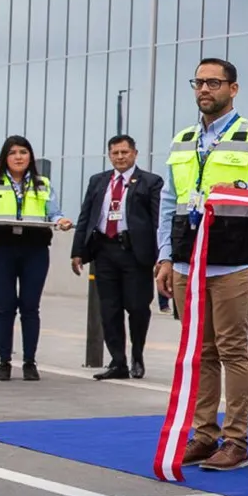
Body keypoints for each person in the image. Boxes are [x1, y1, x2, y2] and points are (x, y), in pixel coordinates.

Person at [156, 57, 248, 473]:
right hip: (186, 262)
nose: (204, 90)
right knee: (200, 352)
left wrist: (243, 187)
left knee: (232, 351)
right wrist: (164, 256)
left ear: (232, 89)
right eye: (198, 82)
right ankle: (204, 433)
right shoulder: (183, 140)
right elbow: (169, 202)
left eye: (214, 83)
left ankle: (236, 440)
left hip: (232, 264)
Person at [0, 135, 73, 381]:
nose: (19, 157)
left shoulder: (42, 184)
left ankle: (30, 362)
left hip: (34, 251)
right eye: (13, 153)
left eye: (23, 152)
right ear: (5, 157)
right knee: (5, 307)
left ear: (30, 156)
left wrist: (62, 222)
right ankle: (4, 362)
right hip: (1, 250)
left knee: (30, 307)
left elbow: (54, 214)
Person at [69, 134, 163, 380]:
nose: (120, 157)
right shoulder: (98, 181)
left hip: (134, 253)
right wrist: (78, 250)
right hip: (104, 250)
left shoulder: (150, 182)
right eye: (115, 153)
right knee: (109, 309)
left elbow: (158, 221)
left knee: (137, 307)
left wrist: (162, 255)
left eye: (124, 152)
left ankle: (137, 356)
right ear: (109, 155)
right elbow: (85, 217)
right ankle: (117, 361)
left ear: (134, 154)